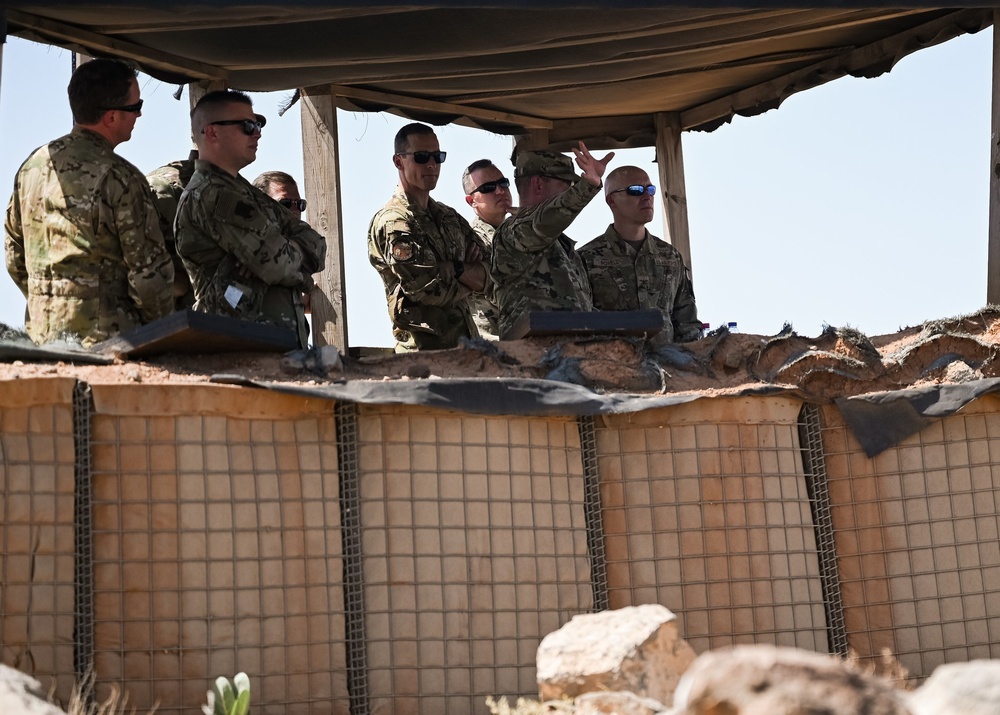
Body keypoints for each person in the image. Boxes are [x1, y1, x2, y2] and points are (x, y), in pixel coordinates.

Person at [4, 58, 174, 346]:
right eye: (135, 108)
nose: (139, 116)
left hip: (42, 341)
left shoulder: (32, 166)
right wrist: (161, 331)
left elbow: (14, 257)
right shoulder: (120, 176)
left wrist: (51, 302)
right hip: (108, 344)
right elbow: (148, 278)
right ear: (111, 118)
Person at [174, 90, 326, 349]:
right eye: (247, 126)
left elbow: (317, 244)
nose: (257, 133)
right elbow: (279, 265)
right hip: (239, 349)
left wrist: (278, 259)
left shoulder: (244, 192)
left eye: (257, 125)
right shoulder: (214, 196)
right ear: (212, 133)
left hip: (270, 346)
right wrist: (302, 277)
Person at [368, 122, 489, 352]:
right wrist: (469, 281)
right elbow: (425, 290)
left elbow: (490, 272)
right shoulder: (395, 222)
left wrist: (453, 269)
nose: (432, 165)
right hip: (423, 355)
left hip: (466, 348)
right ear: (398, 161)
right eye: (422, 157)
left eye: (437, 157)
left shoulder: (447, 216)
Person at [490, 143, 613, 339]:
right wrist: (586, 187)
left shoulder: (563, 247)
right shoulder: (512, 232)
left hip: (568, 358)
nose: (571, 190)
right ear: (538, 184)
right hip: (531, 359)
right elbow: (543, 221)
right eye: (567, 184)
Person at [579, 166, 701, 343]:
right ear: (611, 200)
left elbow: (687, 324)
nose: (647, 196)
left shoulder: (670, 256)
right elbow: (582, 324)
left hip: (667, 365)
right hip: (611, 366)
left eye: (650, 190)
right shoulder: (586, 258)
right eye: (635, 190)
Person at [461, 159, 512, 340]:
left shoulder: (518, 235)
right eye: (488, 188)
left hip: (526, 338)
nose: (500, 191)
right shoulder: (469, 240)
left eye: (503, 183)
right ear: (471, 201)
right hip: (490, 344)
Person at [147, 152, 197, 309]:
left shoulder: (240, 192)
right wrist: (178, 283)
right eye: (248, 126)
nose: (256, 133)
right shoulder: (163, 190)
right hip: (174, 324)